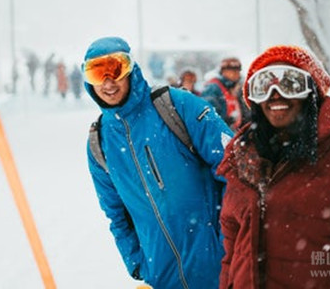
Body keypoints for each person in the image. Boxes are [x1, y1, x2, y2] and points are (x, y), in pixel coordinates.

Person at [217, 45, 330, 288]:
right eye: (263, 85)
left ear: (312, 93)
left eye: (291, 83)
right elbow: (231, 257)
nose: (275, 94)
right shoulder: (242, 163)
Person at [82, 37, 231, 289]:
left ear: (130, 69)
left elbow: (235, 172)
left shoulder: (177, 105)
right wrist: (137, 262)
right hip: (163, 277)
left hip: (221, 271)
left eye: (116, 69)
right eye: (97, 73)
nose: (108, 82)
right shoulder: (99, 142)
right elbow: (116, 213)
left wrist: (228, 242)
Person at [201, 56, 250, 132]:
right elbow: (207, 115)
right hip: (220, 132)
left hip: (235, 131)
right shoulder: (213, 88)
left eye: (237, 70)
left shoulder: (237, 88)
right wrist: (225, 121)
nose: (236, 74)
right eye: (232, 70)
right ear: (223, 72)